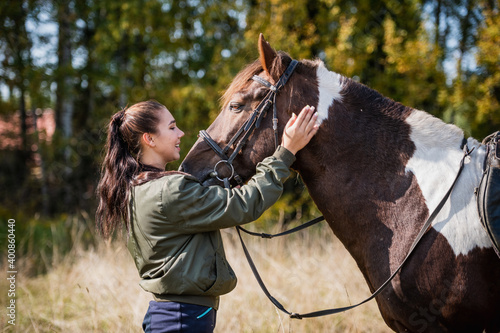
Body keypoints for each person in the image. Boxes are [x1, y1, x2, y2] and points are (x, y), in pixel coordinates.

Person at [95, 100, 319, 332]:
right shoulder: (168, 190)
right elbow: (245, 204)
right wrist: (286, 151)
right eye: (172, 128)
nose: (180, 133)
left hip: (172, 315)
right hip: (182, 319)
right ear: (149, 139)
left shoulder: (137, 188)